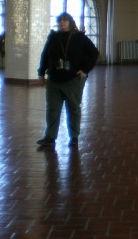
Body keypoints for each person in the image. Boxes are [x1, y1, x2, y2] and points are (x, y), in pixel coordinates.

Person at [36, 12, 99, 147]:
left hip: (73, 80)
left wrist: (85, 70)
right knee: (52, 109)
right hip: (54, 79)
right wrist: (41, 72)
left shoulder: (79, 37)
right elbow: (45, 55)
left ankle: (74, 137)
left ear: (70, 22)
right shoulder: (53, 37)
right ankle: (50, 137)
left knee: (73, 108)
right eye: (60, 21)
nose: (62, 23)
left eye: (64, 21)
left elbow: (94, 52)